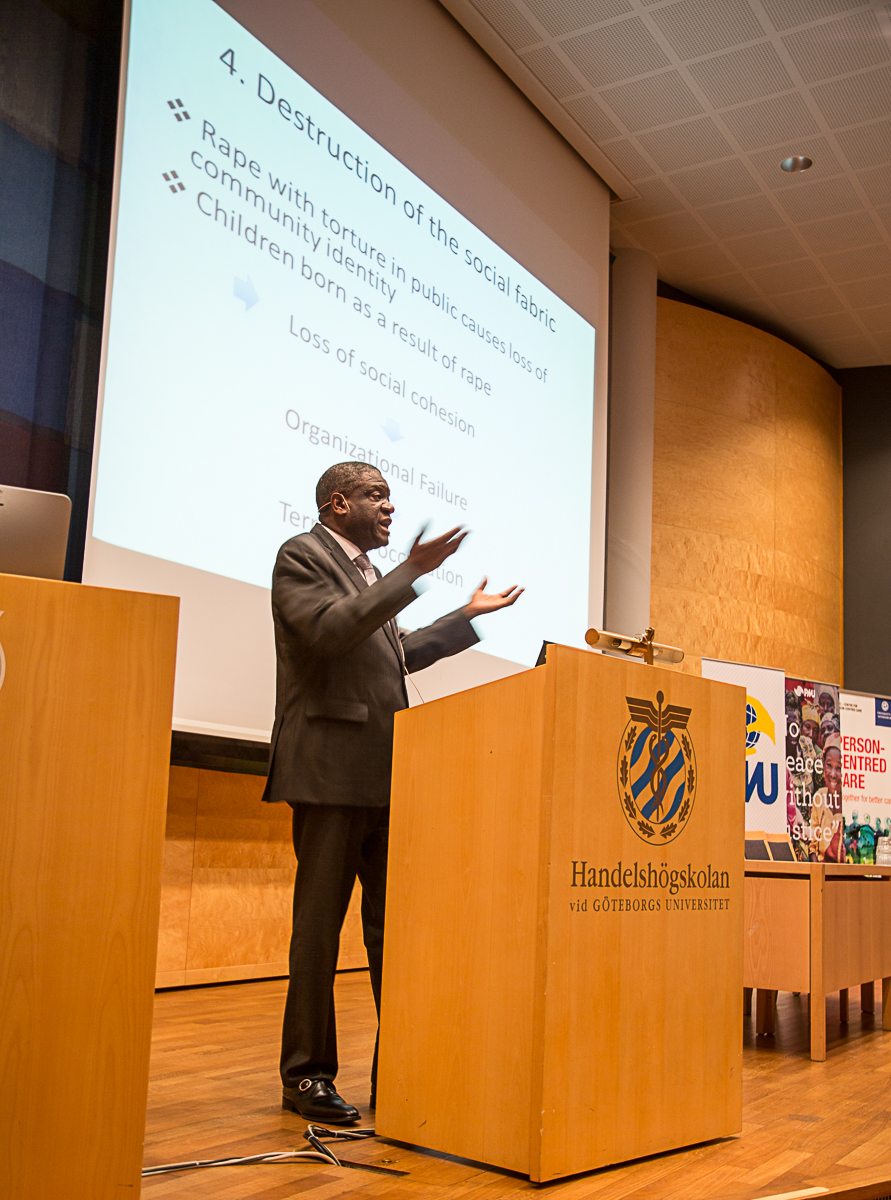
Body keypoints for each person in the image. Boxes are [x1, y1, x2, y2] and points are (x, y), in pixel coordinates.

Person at [262, 461, 522, 1125]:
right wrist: (411, 572)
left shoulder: (368, 576)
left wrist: (463, 617)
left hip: (383, 773)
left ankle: (402, 1065)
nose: (388, 508)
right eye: (376, 496)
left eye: (390, 497)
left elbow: (395, 652)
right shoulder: (302, 555)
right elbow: (328, 631)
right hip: (326, 771)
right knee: (319, 932)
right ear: (336, 501)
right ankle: (307, 1078)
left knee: (393, 934)